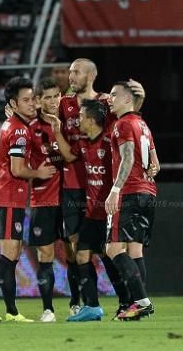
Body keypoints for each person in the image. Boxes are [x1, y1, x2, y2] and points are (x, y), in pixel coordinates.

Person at [0, 77, 56, 323]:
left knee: (12, 255)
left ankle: (11, 311)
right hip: (9, 197)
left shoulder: (12, 124)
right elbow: (17, 169)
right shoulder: (19, 130)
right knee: (10, 255)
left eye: (34, 98)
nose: (33, 104)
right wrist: (39, 173)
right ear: (13, 103)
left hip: (5, 196)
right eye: (26, 100)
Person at [48, 99, 133, 321]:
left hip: (107, 212)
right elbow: (68, 155)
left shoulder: (109, 142)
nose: (78, 120)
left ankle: (126, 302)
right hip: (90, 213)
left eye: (82, 116)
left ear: (92, 120)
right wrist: (57, 131)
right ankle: (93, 306)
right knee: (81, 255)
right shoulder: (84, 142)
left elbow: (128, 160)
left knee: (108, 257)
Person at [57, 58, 109, 315]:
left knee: (108, 248)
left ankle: (128, 299)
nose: (70, 76)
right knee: (76, 246)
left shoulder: (106, 103)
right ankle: (84, 302)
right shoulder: (63, 104)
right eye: (69, 72)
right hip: (72, 185)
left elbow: (131, 116)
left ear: (90, 75)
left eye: (76, 72)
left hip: (101, 186)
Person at [104, 80, 159, 321]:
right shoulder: (143, 124)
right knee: (135, 250)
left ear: (128, 100)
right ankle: (136, 308)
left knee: (113, 248)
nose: (110, 99)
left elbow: (127, 158)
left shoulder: (123, 124)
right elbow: (156, 164)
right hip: (148, 192)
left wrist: (115, 189)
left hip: (130, 192)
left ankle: (142, 302)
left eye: (114, 95)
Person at [25, 79, 64, 322]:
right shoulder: (30, 128)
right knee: (45, 254)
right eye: (47, 97)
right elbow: (19, 164)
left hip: (70, 199)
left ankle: (76, 304)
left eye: (55, 96)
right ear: (39, 101)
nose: (52, 101)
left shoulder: (69, 123)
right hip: (42, 199)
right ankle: (48, 309)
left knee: (75, 252)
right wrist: (35, 172)